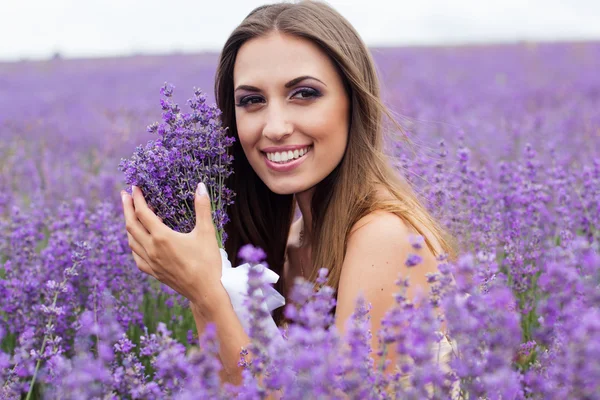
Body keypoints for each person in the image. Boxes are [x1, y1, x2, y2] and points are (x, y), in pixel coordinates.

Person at [121, 0, 457, 389]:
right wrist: (204, 286)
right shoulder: (289, 245)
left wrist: (207, 293)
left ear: (353, 102)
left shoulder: (384, 238)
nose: (275, 127)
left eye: (304, 93)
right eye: (252, 100)